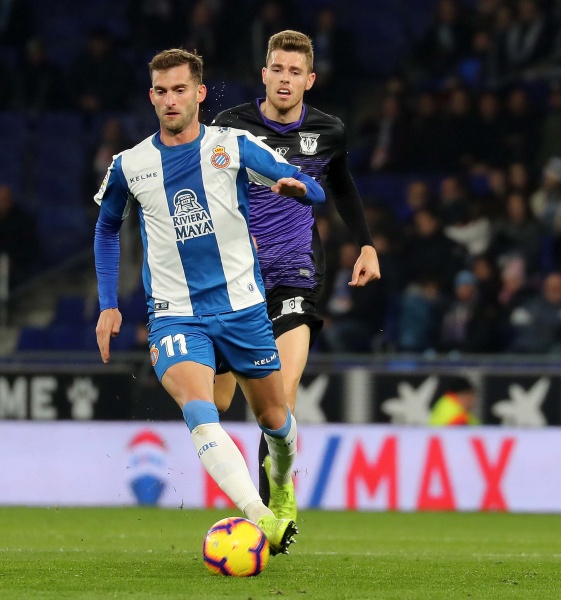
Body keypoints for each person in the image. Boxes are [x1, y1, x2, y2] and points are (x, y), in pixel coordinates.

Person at [93, 48, 326, 555]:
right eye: (161, 91)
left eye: (180, 90)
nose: (170, 100)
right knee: (201, 411)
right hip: (176, 315)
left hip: (243, 308)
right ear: (151, 96)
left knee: (276, 422)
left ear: (199, 93)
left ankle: (280, 483)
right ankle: (261, 517)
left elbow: (314, 189)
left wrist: (299, 190)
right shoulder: (130, 164)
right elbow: (107, 228)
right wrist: (109, 303)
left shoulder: (233, 145)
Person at [211, 30, 380, 508]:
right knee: (219, 401)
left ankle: (274, 506)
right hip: (236, 279)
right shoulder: (229, 126)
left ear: (310, 79)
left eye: (295, 72)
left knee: (280, 398)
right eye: (278, 70)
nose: (285, 79)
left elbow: (342, 187)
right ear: (264, 74)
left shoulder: (329, 131)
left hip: (295, 273)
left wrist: (366, 245)